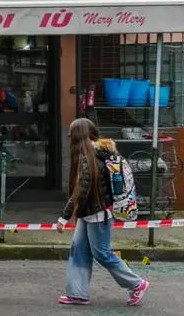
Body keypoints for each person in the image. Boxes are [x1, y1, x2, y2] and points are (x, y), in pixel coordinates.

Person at [56, 117, 150, 306]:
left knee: (102, 254)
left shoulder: (89, 157)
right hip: (91, 213)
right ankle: (78, 293)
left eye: (71, 134)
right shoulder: (100, 153)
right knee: (79, 250)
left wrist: (64, 217)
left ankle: (136, 283)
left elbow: (80, 191)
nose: (69, 138)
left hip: (97, 214)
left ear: (78, 136)